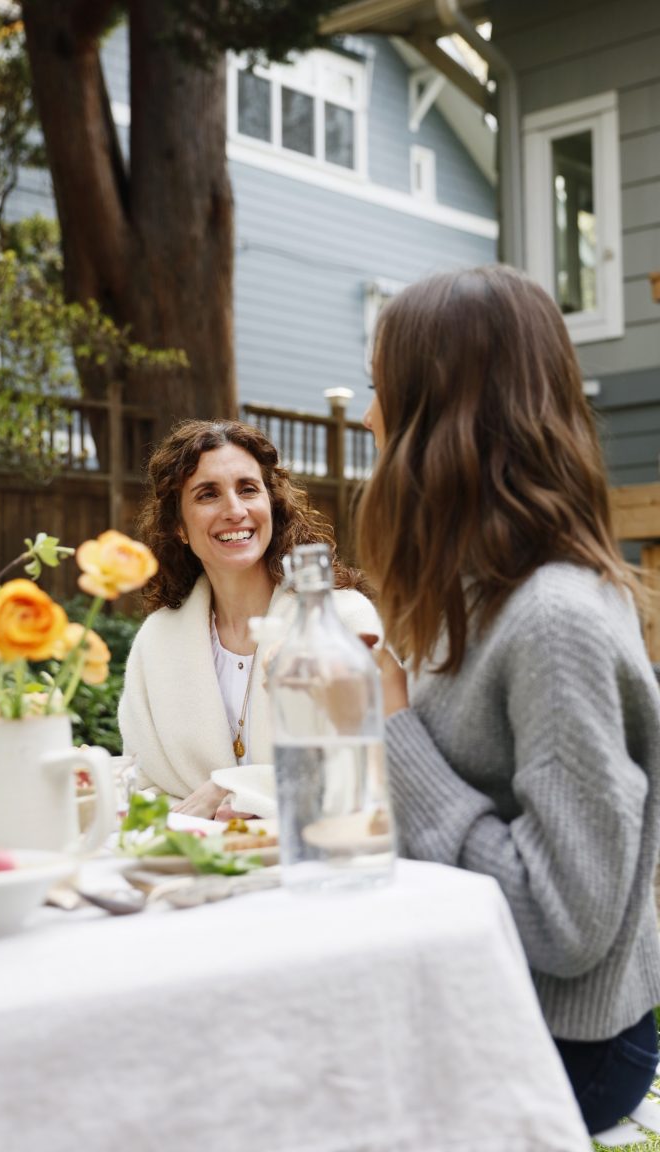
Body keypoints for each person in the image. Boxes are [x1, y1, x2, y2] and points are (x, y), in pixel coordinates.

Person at [357, 263, 660, 1136]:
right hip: (485, 990)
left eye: (385, 392)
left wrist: (396, 733)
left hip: (569, 1044)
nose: (370, 415)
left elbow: (562, 923)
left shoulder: (553, 621)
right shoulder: (475, 594)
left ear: (441, 416)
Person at [119, 418, 380, 819]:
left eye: (248, 489)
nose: (235, 510)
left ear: (270, 504)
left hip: (320, 857)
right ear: (179, 528)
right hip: (195, 865)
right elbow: (142, 782)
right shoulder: (156, 643)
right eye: (208, 495)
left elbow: (376, 765)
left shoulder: (343, 621)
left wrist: (239, 788)